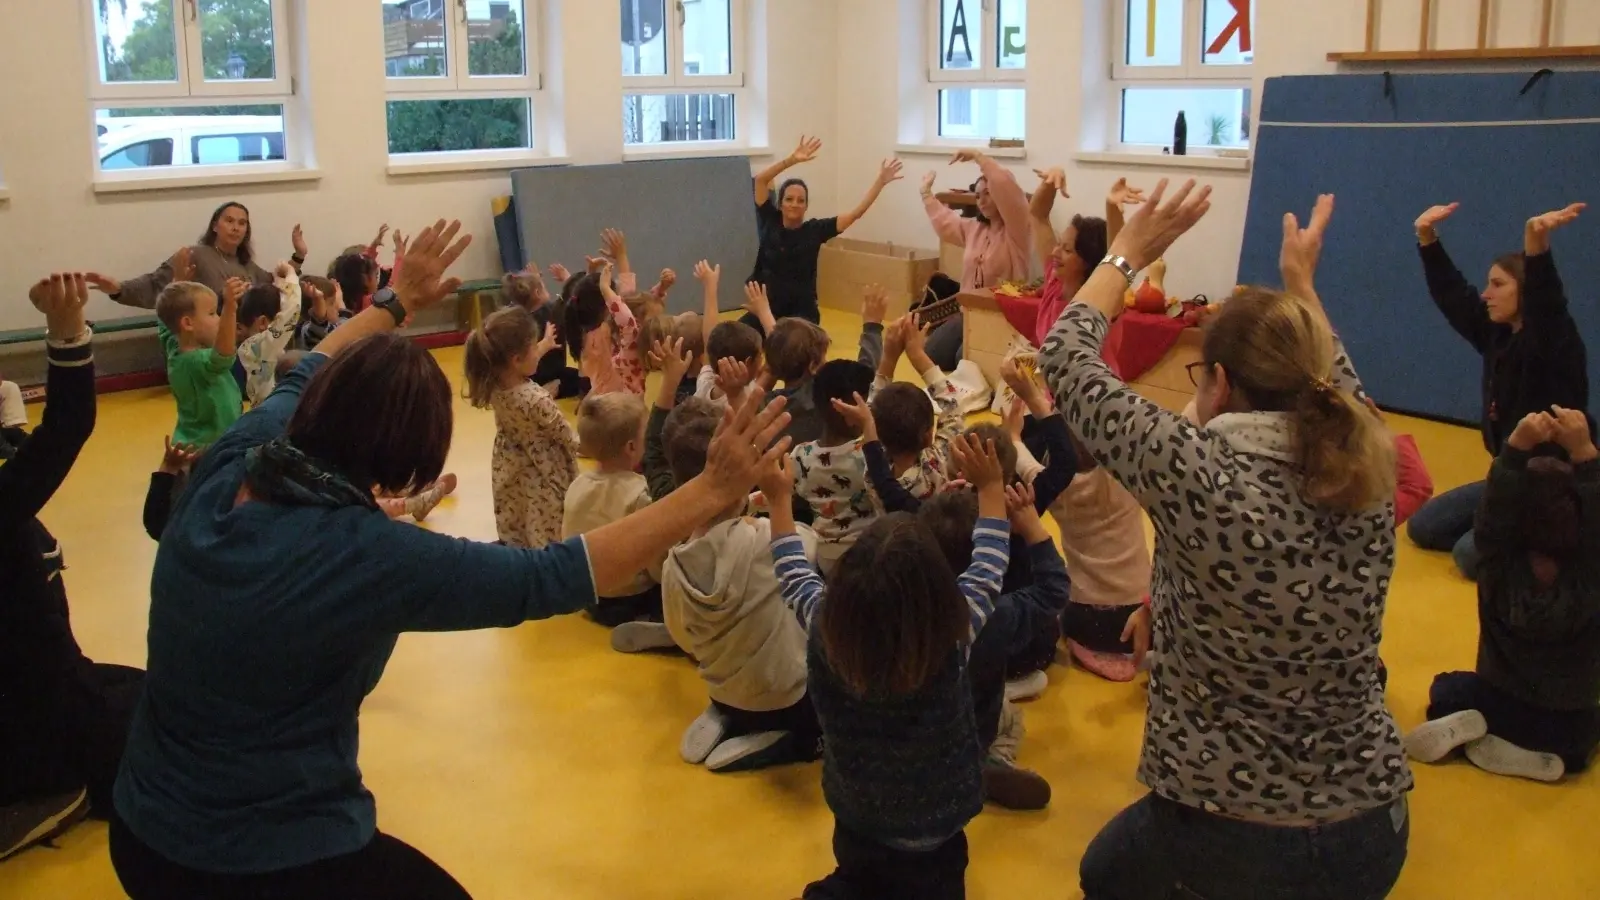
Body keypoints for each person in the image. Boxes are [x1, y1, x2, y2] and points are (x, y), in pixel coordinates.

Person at [107, 219, 797, 900]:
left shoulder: (234, 457)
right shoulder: (369, 555)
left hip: (139, 827)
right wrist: (710, 491)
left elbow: (316, 363)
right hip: (259, 862)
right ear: (402, 465)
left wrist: (396, 303)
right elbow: (550, 576)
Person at [1041, 187, 1412, 899]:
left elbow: (1065, 356)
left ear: (1218, 383)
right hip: (1372, 830)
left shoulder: (1197, 470)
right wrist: (1302, 285)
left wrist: (1128, 252)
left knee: (1102, 876)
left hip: (1230, 836)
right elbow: (1343, 384)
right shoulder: (1369, 467)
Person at [767, 434, 1012, 900]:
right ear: (940, 587)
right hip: (938, 825)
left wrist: (780, 498)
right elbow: (990, 565)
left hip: (857, 812)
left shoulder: (824, 626)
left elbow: (792, 572)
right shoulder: (951, 636)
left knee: (862, 874)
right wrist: (991, 486)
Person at [1, 273, 145, 861]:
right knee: (185, 723)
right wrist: (66, 333)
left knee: (142, 690)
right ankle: (47, 791)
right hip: (35, 722)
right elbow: (66, 427)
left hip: (42, 684)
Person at [1405, 407, 1600, 782]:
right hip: (1568, 724)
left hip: (1499, 701)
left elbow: (1492, 520)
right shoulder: (1589, 578)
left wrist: (1514, 449)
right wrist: (1586, 456)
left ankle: (1484, 733)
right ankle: (1550, 757)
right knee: (1585, 734)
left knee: (1446, 688)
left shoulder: (1496, 565)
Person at [1406, 201, 1589, 580]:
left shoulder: (1555, 342)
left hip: (1554, 484)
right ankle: (1525, 530)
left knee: (1468, 557)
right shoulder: (1498, 335)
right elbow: (1455, 296)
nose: (1487, 294)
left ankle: (1563, 533)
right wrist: (1427, 238)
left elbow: (1548, 306)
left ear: (1525, 292)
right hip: (1512, 477)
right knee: (1423, 528)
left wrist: (1536, 244)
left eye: (1499, 285)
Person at [661, 394, 824, 773]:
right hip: (787, 698)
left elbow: (682, 639)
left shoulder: (674, 560)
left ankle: (727, 713)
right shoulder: (766, 538)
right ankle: (783, 741)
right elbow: (807, 552)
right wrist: (778, 507)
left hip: (724, 686)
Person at [747, 135, 904, 329]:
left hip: (801, 312)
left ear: (806, 206)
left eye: (800, 200)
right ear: (780, 203)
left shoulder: (815, 230)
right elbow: (761, 180)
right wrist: (792, 160)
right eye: (789, 199)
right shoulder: (769, 219)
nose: (794, 204)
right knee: (735, 341)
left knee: (792, 347)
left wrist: (880, 181)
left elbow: (856, 213)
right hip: (768, 307)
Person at [563, 392, 677, 654]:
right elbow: (654, 562)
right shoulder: (639, 493)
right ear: (631, 447)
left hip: (588, 595)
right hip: (631, 599)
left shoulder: (576, 485)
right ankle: (661, 627)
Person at [463, 305, 576, 549]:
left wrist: (543, 345)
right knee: (548, 528)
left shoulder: (494, 381)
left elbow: (522, 366)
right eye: (534, 348)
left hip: (511, 465)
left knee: (521, 521)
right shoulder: (536, 399)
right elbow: (567, 436)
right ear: (516, 359)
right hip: (543, 470)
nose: (538, 351)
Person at [918, 150, 1033, 371]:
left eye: (989, 193)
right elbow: (946, 222)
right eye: (978, 195)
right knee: (931, 352)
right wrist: (926, 193)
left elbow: (1008, 189)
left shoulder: (1018, 231)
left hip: (1002, 316)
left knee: (966, 358)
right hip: (969, 313)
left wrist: (979, 158)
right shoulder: (974, 228)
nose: (982, 200)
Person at [88, 202, 308, 310]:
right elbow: (158, 285)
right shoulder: (195, 255)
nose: (236, 228)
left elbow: (277, 282)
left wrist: (298, 256)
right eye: (229, 221)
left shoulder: (246, 265)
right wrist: (119, 289)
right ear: (215, 226)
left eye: (242, 223)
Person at [157, 277, 243, 447]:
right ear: (187, 323)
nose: (219, 319)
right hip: (208, 447)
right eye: (212, 313)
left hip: (193, 441)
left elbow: (164, 325)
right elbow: (223, 355)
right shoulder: (196, 362)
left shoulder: (174, 347)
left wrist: (177, 279)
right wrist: (230, 309)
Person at [500, 264, 585, 399]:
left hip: (526, 375)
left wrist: (535, 280)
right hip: (553, 373)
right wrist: (567, 279)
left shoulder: (515, 318)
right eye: (543, 287)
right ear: (537, 293)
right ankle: (553, 388)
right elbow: (570, 302)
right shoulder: (550, 314)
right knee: (585, 380)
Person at [235, 264, 303, 406]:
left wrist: (279, 281)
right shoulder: (262, 344)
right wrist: (290, 273)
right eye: (278, 318)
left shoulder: (250, 348)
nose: (281, 320)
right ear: (263, 322)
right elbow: (292, 308)